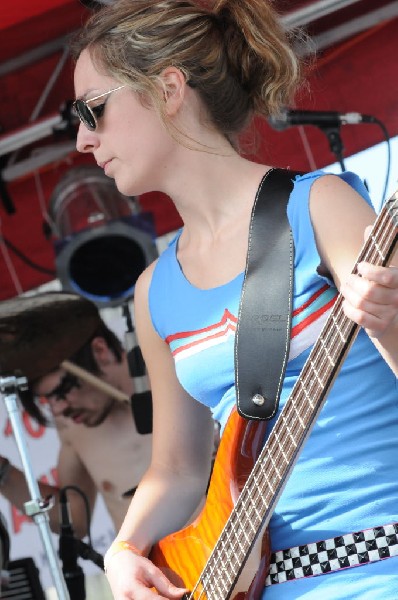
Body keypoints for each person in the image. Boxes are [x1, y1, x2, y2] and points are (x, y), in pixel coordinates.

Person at [70, 0, 398, 598]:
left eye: (93, 110)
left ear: (168, 89)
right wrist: (123, 552)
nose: (82, 140)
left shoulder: (321, 206)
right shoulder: (152, 294)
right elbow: (177, 469)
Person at [0, 302, 153, 539]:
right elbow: (75, 521)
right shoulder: (73, 428)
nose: (59, 409)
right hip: (154, 572)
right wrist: (3, 474)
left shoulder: (178, 379)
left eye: (62, 391)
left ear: (100, 351)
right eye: (48, 400)